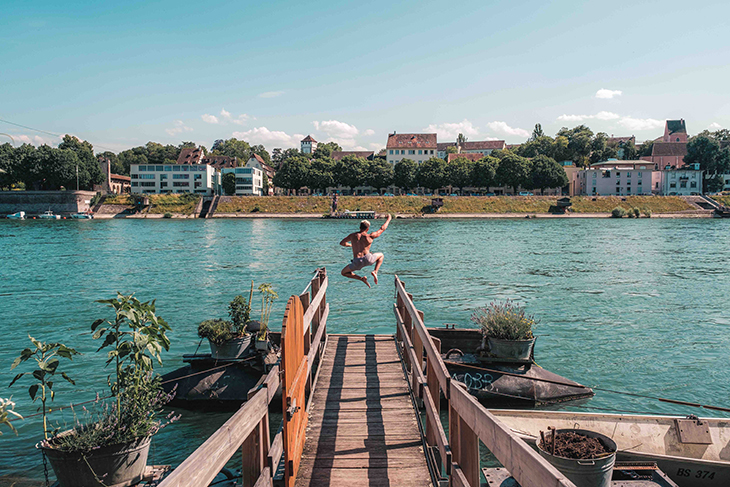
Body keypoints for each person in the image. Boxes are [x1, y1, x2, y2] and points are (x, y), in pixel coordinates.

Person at [340, 214, 392, 288]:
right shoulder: (370, 236)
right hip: (368, 259)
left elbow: (342, 243)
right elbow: (382, 229)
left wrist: (351, 245)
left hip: (357, 262)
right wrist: (389, 219)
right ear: (367, 229)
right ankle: (375, 271)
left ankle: (361, 279)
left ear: (360, 227)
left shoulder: (352, 236)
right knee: (381, 255)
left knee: (344, 272)